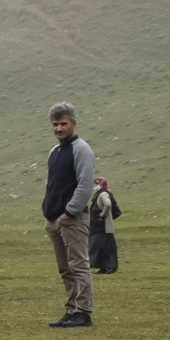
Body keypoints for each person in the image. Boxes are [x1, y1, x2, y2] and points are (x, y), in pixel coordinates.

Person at [42, 102, 95, 328]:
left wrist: (69, 212)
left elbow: (85, 184)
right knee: (65, 268)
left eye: (63, 123)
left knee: (78, 265)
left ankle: (83, 311)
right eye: (55, 124)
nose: (59, 128)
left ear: (73, 123)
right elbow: (53, 184)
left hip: (72, 218)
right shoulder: (55, 151)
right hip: (54, 219)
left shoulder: (81, 149)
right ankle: (71, 309)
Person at [89, 176, 120, 274]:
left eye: (97, 183)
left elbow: (108, 204)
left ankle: (111, 266)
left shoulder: (103, 194)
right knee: (101, 246)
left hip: (104, 225)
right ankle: (103, 266)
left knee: (106, 246)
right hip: (99, 225)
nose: (95, 186)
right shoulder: (100, 194)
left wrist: (102, 214)